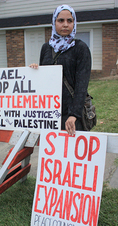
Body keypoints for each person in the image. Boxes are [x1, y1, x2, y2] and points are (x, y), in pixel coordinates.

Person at [29, 5, 91, 136]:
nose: (65, 24)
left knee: (71, 153)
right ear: (54, 22)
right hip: (50, 112)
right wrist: (35, 71)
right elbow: (43, 80)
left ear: (74, 23)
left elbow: (82, 84)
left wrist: (74, 115)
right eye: (61, 20)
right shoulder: (46, 48)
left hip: (71, 113)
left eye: (70, 21)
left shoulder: (80, 48)